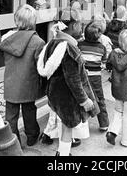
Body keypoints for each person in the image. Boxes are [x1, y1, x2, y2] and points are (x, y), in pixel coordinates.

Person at [37, 8, 99, 156]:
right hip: (67, 95)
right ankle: (63, 154)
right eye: (80, 23)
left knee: (62, 120)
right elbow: (73, 79)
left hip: (56, 92)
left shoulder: (55, 41)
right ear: (73, 26)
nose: (82, 26)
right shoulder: (69, 48)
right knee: (67, 126)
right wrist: (84, 100)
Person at [0, 4, 45, 147]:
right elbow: (41, 66)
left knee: (11, 116)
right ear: (33, 21)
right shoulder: (38, 42)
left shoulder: (7, 38)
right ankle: (32, 136)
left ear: (17, 20)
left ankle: (13, 143)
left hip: (11, 83)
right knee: (29, 111)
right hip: (29, 84)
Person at [78, 22, 109, 132]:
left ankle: (82, 124)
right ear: (99, 36)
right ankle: (104, 123)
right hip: (95, 78)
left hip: (82, 77)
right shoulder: (102, 48)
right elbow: (104, 63)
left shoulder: (79, 45)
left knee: (82, 98)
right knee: (100, 99)